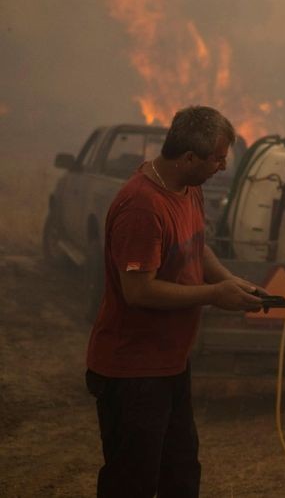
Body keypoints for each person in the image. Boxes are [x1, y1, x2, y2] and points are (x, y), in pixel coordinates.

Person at [85, 105, 264, 498]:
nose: (222, 166)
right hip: (132, 371)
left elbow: (196, 248)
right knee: (131, 482)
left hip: (169, 364)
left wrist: (231, 281)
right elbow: (139, 291)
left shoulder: (189, 189)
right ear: (187, 158)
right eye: (217, 158)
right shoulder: (142, 207)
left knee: (180, 475)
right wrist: (216, 295)